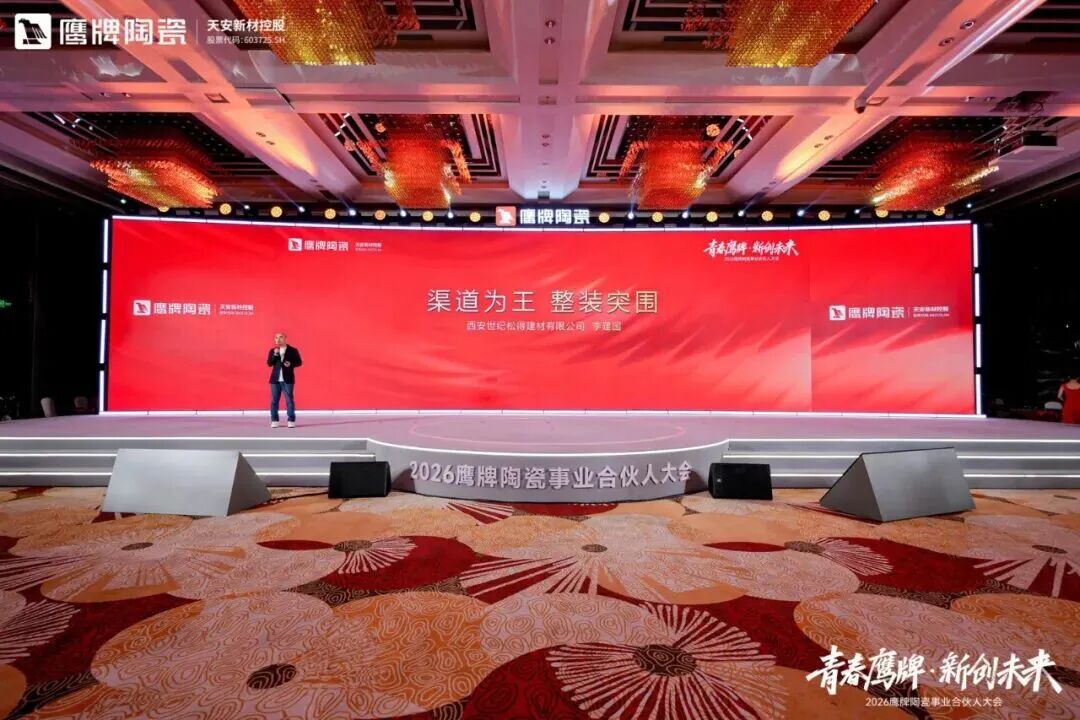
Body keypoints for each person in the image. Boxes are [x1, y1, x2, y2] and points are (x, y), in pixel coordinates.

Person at [267, 332, 302, 428]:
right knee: (274, 401)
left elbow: (299, 362)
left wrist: (290, 364)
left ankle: (291, 420)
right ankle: (274, 420)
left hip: (288, 379)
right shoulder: (273, 351)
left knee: (289, 400)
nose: (278, 339)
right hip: (275, 380)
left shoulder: (293, 350)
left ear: (285, 338)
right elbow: (269, 363)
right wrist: (275, 354)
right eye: (276, 338)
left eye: (280, 337)